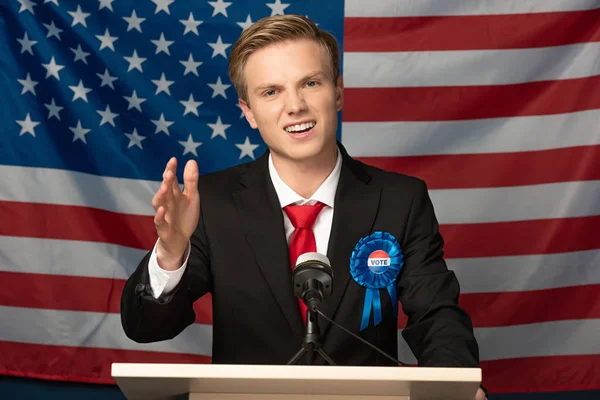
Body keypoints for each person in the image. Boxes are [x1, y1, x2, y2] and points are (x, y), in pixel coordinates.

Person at [120, 14, 487, 399]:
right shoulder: (212, 203)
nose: (295, 106)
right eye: (271, 92)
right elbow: (146, 327)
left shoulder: (401, 200)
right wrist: (171, 253)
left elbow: (436, 317)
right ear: (248, 111)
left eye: (310, 83)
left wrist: (457, 388)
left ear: (338, 91)